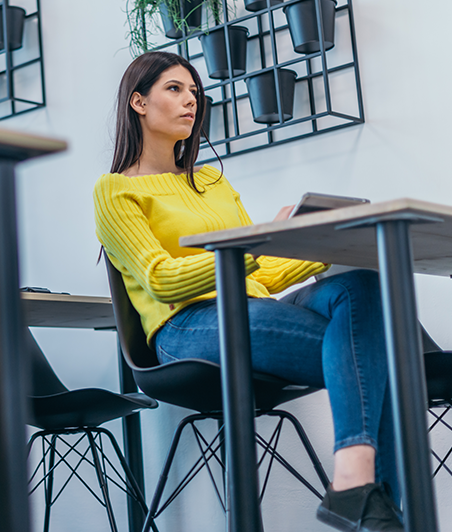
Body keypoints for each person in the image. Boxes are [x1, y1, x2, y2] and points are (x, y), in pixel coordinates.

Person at [93, 51, 403, 532]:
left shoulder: (212, 181)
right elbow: (161, 278)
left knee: (360, 286)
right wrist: (255, 244)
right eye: (174, 89)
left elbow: (258, 275)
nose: (190, 101)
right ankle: (369, 505)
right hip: (185, 328)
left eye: (195, 92)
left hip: (251, 307)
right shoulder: (115, 190)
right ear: (138, 101)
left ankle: (354, 484)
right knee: (371, 352)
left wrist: (317, 240)